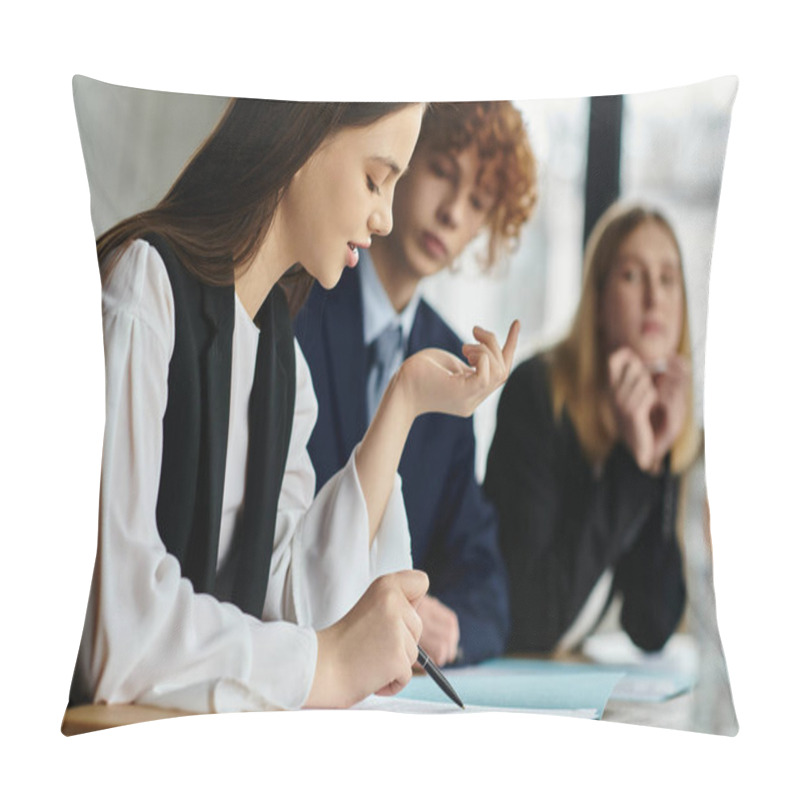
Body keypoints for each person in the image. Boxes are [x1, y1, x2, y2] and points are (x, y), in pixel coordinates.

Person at [69, 97, 520, 714]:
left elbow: (297, 606)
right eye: (373, 179)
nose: (385, 217)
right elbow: (115, 633)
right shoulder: (144, 290)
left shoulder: (282, 365)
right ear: (303, 138)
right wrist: (328, 662)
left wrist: (406, 401)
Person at [295, 101, 537, 666]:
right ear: (401, 162)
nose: (453, 212)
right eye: (443, 173)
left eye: (477, 202)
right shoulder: (301, 299)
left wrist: (442, 626)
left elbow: (487, 590)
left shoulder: (455, 363)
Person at [484, 202, 701, 655]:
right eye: (631, 276)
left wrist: (654, 461)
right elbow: (532, 620)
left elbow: (652, 625)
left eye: (667, 279)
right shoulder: (538, 393)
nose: (654, 298)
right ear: (598, 300)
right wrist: (629, 465)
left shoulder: (661, 412)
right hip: (504, 665)